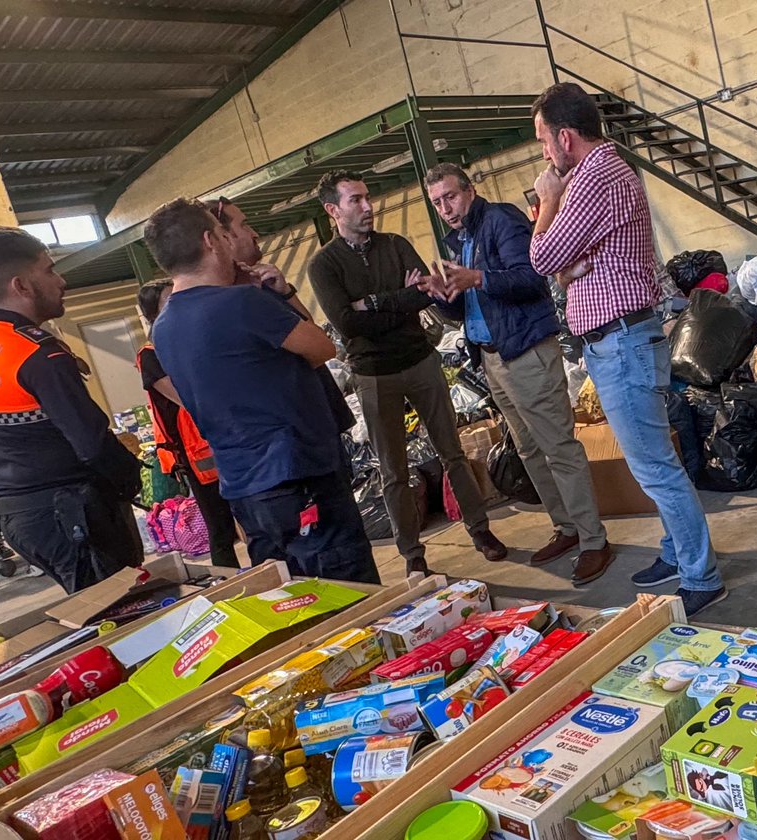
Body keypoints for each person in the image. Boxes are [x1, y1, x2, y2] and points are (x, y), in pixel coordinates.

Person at [527, 82, 727, 615]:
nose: (544, 155)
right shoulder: (607, 171)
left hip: (621, 342)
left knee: (656, 467)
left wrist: (546, 202)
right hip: (620, 339)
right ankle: (674, 552)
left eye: (544, 141)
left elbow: (544, 258)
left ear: (566, 137)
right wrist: (571, 268)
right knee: (651, 463)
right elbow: (566, 264)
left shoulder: (590, 177)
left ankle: (701, 577)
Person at [143, 197, 379, 584]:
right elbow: (323, 348)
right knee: (349, 588)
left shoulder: (163, 328)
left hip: (243, 487)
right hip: (298, 473)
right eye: (223, 233)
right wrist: (281, 295)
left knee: (288, 595)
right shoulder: (245, 302)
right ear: (210, 240)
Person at [420, 162, 612, 584]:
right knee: (528, 451)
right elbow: (467, 305)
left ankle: (594, 540)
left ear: (469, 190)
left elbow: (531, 277)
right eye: (437, 203)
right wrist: (441, 296)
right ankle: (566, 527)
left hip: (525, 352)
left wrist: (478, 277)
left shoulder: (500, 219)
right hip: (493, 356)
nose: (446, 208)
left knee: (558, 447)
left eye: (450, 197)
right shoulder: (463, 239)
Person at [309, 170, 508, 576]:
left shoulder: (395, 244)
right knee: (393, 471)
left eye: (367, 197)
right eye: (355, 201)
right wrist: (396, 300)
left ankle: (480, 530)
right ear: (333, 210)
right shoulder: (324, 265)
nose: (367, 207)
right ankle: (413, 555)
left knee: (452, 452)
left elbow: (425, 294)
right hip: (373, 373)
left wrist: (374, 302)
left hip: (420, 360)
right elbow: (346, 323)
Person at [0, 227, 144, 593]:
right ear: (21, 286)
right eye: (50, 270)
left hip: (20, 514)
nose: (61, 280)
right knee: (124, 612)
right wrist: (129, 478)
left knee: (94, 608)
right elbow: (91, 443)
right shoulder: (38, 353)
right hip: (70, 515)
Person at [201, 197, 357, 475]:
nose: (254, 233)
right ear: (223, 238)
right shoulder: (235, 304)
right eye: (244, 225)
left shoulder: (264, 287)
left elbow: (318, 339)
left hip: (319, 425)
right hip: (293, 445)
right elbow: (321, 350)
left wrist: (285, 292)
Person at [136, 281, 240, 569]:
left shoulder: (190, 339)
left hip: (226, 439)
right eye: (169, 300)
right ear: (153, 313)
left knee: (249, 516)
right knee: (219, 526)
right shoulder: (150, 354)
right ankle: (228, 582)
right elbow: (186, 398)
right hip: (196, 451)